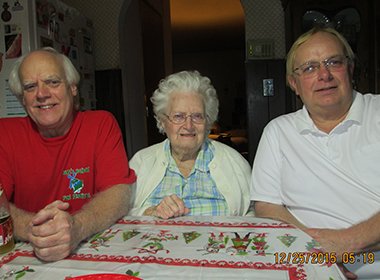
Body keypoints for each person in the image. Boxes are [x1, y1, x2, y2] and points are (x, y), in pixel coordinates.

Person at [250, 25, 380, 280]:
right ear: (294, 84)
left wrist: (347, 243)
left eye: (333, 62)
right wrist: (318, 255)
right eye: (309, 68)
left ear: (351, 69)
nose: (324, 74)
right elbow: (266, 206)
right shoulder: (278, 131)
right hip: (305, 265)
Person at [0, 47, 136, 261]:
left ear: (73, 88)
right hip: (28, 255)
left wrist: (76, 227)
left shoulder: (101, 124)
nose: (42, 94)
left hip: (90, 250)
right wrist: (35, 230)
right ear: (22, 99)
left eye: (53, 82)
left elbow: (119, 194)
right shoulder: (4, 133)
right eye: (30, 86)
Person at [128, 70, 251, 219]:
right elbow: (119, 212)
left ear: (208, 122)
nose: (189, 125)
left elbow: (255, 215)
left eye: (197, 116)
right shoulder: (141, 163)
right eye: (178, 116)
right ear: (163, 122)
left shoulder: (235, 163)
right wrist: (150, 212)